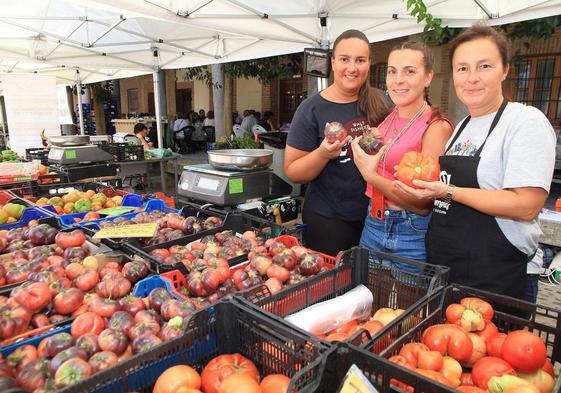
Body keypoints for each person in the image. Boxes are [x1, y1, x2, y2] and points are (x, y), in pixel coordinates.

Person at [395, 23, 556, 301]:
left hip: (497, 275)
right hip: (449, 270)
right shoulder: (462, 126)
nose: (472, 78)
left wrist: (447, 191)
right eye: (462, 68)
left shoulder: (524, 121)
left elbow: (526, 205)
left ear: (504, 69)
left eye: (484, 66)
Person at [285, 29, 390, 256]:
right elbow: (293, 171)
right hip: (328, 220)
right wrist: (323, 153)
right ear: (333, 62)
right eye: (344, 59)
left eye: (360, 60)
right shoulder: (311, 109)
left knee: (370, 287)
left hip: (378, 219)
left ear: (369, 64)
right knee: (334, 287)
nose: (352, 68)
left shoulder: (382, 103)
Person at [351, 42, 453, 268]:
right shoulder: (388, 119)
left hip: (409, 230)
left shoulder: (435, 127)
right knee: (366, 299)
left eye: (410, 71)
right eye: (392, 71)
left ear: (428, 77)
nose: (398, 80)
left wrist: (371, 176)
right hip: (373, 221)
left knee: (408, 303)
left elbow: (423, 203)